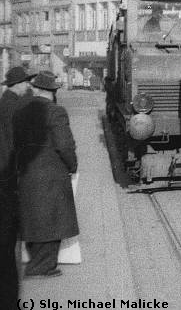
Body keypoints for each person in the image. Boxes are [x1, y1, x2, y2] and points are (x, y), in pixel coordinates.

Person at [13, 71, 78, 278]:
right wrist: (72, 166)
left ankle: (36, 263)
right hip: (51, 175)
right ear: (52, 91)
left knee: (33, 220)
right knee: (53, 221)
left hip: (26, 173)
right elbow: (64, 145)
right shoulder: (56, 111)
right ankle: (41, 267)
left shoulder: (19, 111)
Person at [0, 67, 34, 303]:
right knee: (8, 244)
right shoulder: (13, 107)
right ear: (18, 84)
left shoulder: (5, 102)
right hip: (8, 179)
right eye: (26, 83)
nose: (28, 87)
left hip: (5, 176)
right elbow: (13, 145)